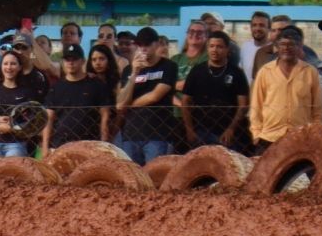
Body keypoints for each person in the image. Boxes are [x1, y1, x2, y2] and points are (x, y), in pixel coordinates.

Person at [247, 27, 322, 150]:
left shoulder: (310, 72)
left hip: (301, 138)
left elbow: (318, 108)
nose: (286, 48)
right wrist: (256, 134)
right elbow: (256, 105)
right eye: (282, 44)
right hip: (269, 138)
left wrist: (314, 133)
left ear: (299, 47)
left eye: (291, 45)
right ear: (277, 46)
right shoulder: (265, 72)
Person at [118, 28, 180, 165]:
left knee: (155, 178)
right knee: (132, 180)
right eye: (140, 45)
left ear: (157, 44)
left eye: (147, 45)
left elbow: (155, 96)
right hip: (131, 133)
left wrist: (128, 104)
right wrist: (134, 74)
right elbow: (120, 103)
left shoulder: (168, 66)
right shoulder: (128, 70)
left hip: (158, 134)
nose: (143, 49)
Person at [179, 31, 251, 150]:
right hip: (201, 132)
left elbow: (243, 105)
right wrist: (189, 129)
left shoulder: (237, 73)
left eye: (219, 46)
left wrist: (231, 129)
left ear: (227, 49)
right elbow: (185, 101)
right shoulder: (197, 71)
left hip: (228, 135)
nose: (214, 50)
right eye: (211, 46)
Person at [44, 45, 112, 147]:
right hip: (60, 144)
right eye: (67, 59)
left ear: (83, 61)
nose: (71, 63)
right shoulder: (56, 87)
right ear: (63, 62)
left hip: (90, 144)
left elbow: (105, 116)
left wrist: (104, 143)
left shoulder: (96, 84)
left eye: (75, 59)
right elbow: (48, 119)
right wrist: (45, 147)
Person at [0, 47, 49, 157]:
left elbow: (31, 122)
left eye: (13, 64)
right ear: (1, 66)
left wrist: (11, 128)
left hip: (16, 144)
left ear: (20, 67)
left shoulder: (27, 92)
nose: (9, 67)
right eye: (5, 64)